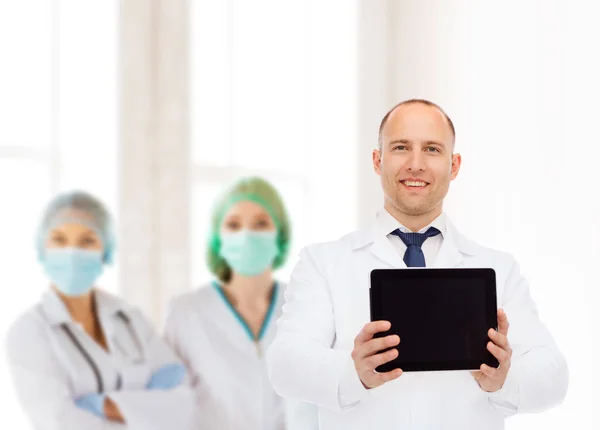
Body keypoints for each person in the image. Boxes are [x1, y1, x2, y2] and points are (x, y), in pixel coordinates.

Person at [266, 99, 568, 429]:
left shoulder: (499, 269)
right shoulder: (323, 263)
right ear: (377, 160)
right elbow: (284, 365)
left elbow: (553, 375)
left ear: (454, 166)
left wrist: (503, 380)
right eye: (400, 147)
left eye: (432, 150)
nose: (416, 164)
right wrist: (354, 373)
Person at [5, 191, 196, 430]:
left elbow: (183, 398)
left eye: (87, 241)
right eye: (59, 240)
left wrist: (100, 406)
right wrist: (147, 412)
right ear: (42, 248)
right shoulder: (29, 332)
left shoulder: (130, 319)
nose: (72, 253)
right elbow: (58, 422)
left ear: (105, 250)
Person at [164, 177, 318, 430]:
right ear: (217, 238)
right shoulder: (186, 312)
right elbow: (170, 406)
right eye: (233, 225)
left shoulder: (306, 305)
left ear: (280, 234)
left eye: (260, 223)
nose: (246, 235)